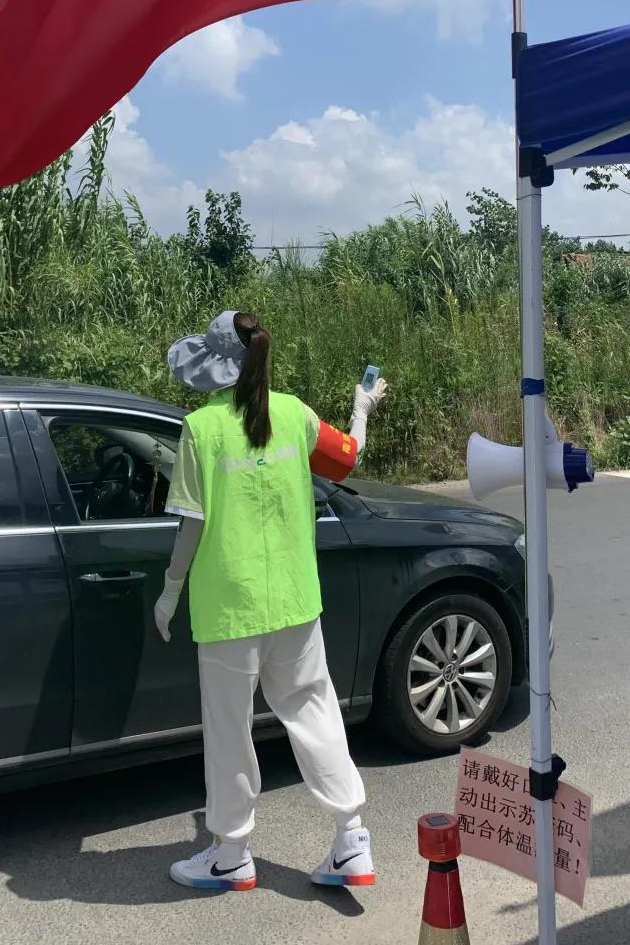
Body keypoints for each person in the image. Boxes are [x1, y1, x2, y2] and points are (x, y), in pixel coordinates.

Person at [155, 310, 388, 894]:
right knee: (314, 710)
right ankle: (351, 837)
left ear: (214, 366)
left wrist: (170, 590)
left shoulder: (201, 429)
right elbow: (348, 457)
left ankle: (231, 853)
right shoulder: (294, 414)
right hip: (294, 600)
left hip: (228, 607)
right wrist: (361, 407)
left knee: (229, 730)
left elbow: (190, 526)